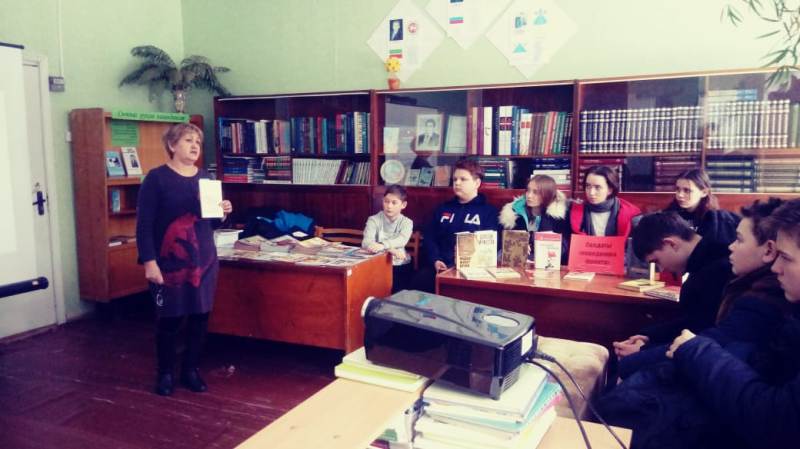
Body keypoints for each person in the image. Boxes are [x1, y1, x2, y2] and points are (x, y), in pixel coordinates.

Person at [664, 198, 800, 449]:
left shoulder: (764, 301)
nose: (776, 267)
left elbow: (777, 421)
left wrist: (695, 351)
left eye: (786, 257)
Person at [615, 199, 788, 379]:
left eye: (739, 239)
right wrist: (650, 339)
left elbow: (711, 337)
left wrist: (642, 353)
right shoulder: (743, 278)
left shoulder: (750, 289)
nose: (731, 246)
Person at [136, 123, 233, 396]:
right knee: (170, 319)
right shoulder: (156, 179)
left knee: (200, 318)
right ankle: (165, 373)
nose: (194, 146)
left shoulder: (206, 179)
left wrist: (223, 213)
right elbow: (144, 225)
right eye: (188, 140)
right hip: (169, 263)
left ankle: (190, 370)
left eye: (198, 142)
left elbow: (211, 224)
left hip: (204, 261)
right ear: (172, 145)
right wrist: (149, 262)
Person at [613, 212, 733, 365]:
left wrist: (645, 350)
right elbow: (693, 322)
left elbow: (701, 332)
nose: (661, 269)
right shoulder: (706, 261)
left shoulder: (717, 270)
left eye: (656, 261)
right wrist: (650, 337)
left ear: (671, 244)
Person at [413, 158, 499, 292]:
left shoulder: (489, 212)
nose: (457, 183)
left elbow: (491, 247)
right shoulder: (442, 209)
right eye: (455, 179)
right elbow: (430, 237)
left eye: (463, 179)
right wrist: (435, 259)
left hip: (471, 273)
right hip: (438, 268)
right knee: (418, 282)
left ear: (477, 183)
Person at [499, 174, 570, 263]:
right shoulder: (514, 213)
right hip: (518, 262)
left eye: (535, 192)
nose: (529, 195)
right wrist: (518, 246)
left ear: (547, 194)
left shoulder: (557, 217)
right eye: (528, 190)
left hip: (547, 262)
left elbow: (564, 248)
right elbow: (505, 245)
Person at [664, 168, 740, 246]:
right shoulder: (669, 215)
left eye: (687, 190)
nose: (680, 195)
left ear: (704, 192)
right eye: (677, 189)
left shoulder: (715, 220)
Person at [362, 185, 413, 293]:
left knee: (398, 293)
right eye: (386, 201)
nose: (389, 206)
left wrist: (382, 245)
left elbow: (402, 240)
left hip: (399, 265)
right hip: (376, 264)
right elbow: (366, 243)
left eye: (394, 203)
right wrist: (391, 250)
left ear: (403, 205)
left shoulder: (407, 222)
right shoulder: (373, 220)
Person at [569, 165, 640, 237]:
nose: (591, 193)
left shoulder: (630, 214)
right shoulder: (573, 211)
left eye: (597, 187)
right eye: (588, 186)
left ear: (610, 190)